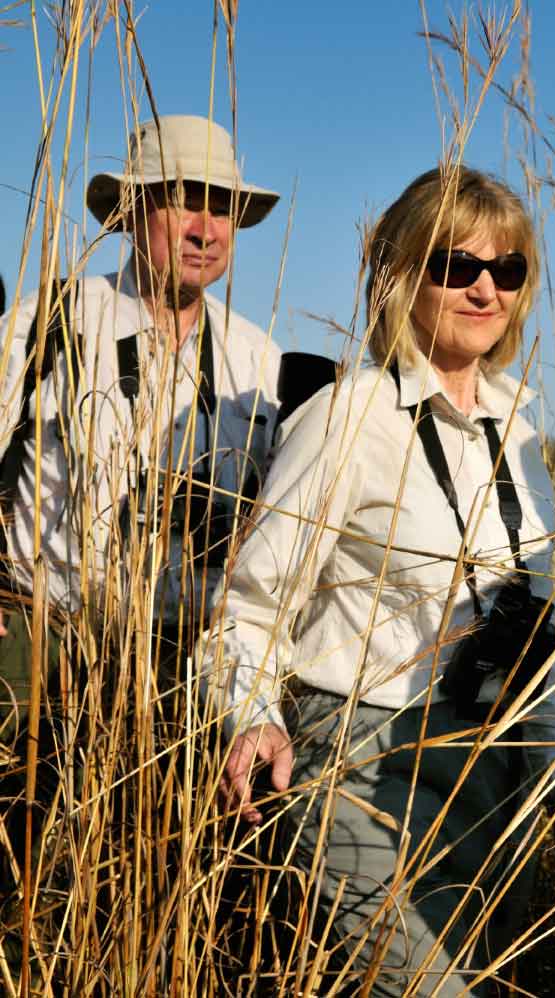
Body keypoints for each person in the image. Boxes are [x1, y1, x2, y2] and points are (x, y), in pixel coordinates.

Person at [196, 165, 555, 997]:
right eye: (458, 266)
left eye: (508, 270)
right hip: (357, 758)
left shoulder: (521, 439)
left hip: (496, 762)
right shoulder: (348, 417)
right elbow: (248, 607)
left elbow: (536, 637)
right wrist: (249, 718)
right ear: (402, 274)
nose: (486, 290)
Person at [0, 115, 281, 888]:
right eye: (180, 201)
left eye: (221, 207)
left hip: (194, 666)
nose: (205, 227)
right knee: (35, 885)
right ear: (129, 213)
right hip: (48, 652)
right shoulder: (47, 322)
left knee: (182, 889)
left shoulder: (262, 357)